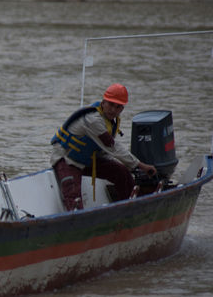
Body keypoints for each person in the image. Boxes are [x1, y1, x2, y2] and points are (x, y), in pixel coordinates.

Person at [50, 83, 156, 211]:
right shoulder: (93, 120)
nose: (113, 110)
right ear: (103, 102)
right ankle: (78, 222)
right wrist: (141, 165)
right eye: (111, 104)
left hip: (87, 159)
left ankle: (132, 208)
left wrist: (130, 167)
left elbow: (105, 151)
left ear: (122, 109)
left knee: (121, 172)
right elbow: (113, 147)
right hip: (67, 159)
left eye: (118, 107)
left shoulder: (110, 120)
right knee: (73, 194)